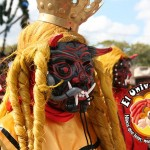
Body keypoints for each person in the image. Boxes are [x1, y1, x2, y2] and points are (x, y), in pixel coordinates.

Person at [0, 0, 126, 150]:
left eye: (86, 66)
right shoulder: (11, 132)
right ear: (34, 71)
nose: (84, 77)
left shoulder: (92, 124)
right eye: (65, 68)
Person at [98, 46, 148, 150]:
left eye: (128, 68)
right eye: (122, 68)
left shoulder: (132, 98)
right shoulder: (97, 102)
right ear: (108, 69)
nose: (129, 73)